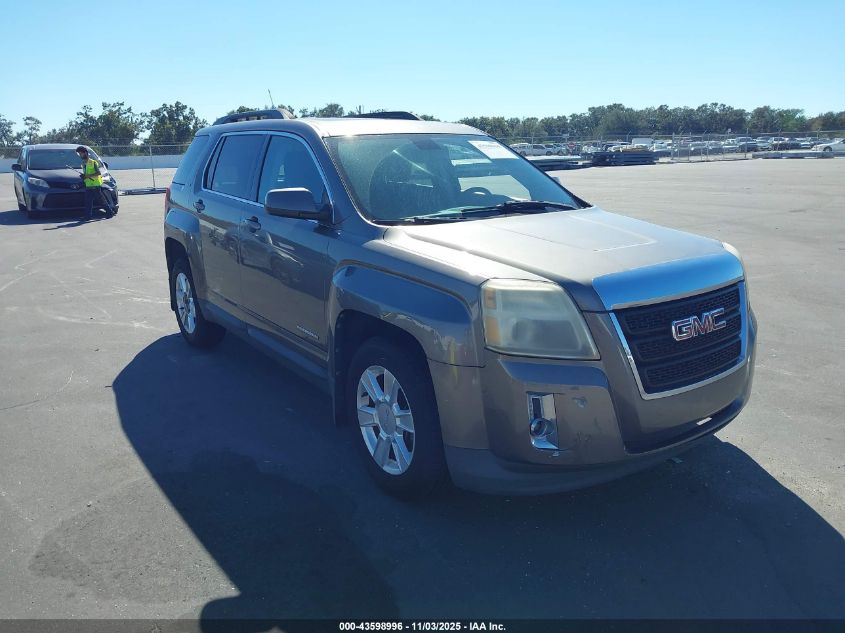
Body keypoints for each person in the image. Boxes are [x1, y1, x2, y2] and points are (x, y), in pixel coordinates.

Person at [76, 146, 115, 220]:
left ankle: (109, 212)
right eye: (79, 154)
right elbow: (87, 174)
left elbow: (98, 173)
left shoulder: (93, 162)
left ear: (85, 153)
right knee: (88, 202)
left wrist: (87, 176)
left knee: (101, 200)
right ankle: (88, 216)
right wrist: (84, 177)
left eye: (80, 153)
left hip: (95, 185)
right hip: (88, 185)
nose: (80, 155)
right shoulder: (84, 164)